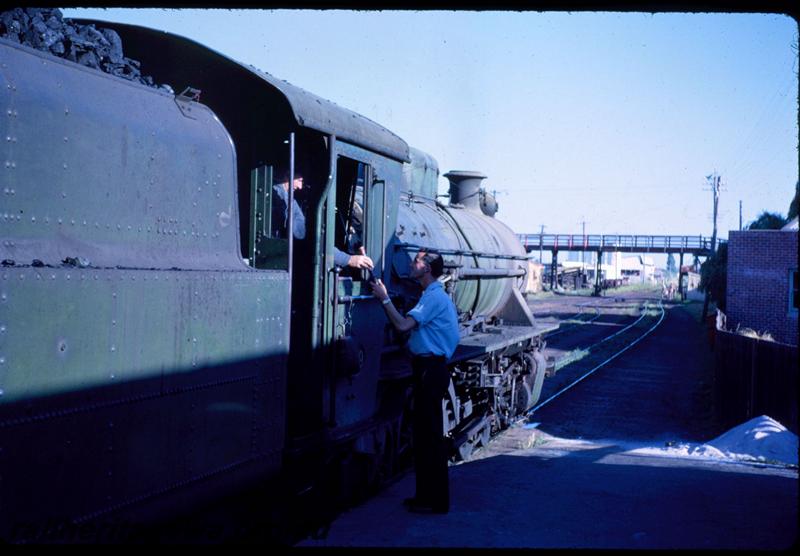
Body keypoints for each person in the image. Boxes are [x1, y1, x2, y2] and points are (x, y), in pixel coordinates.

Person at [369, 250, 459, 514]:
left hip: (430, 371)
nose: (411, 263)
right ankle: (426, 498)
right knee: (426, 437)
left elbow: (403, 326)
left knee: (430, 438)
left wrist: (384, 299)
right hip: (428, 369)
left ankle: (435, 501)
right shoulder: (432, 296)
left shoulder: (432, 298)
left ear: (427, 268)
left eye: (417, 261)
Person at [272, 168, 373, 270]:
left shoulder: (283, 196)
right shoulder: (281, 199)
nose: (300, 187)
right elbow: (307, 238)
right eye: (300, 181)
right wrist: (347, 259)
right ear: (288, 174)